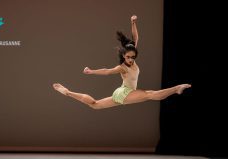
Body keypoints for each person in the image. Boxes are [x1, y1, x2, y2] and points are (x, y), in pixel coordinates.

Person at [53, 15, 191, 109]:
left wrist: (133, 22)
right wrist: (91, 71)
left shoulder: (131, 54)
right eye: (128, 57)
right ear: (123, 56)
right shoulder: (123, 67)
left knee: (95, 104)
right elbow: (107, 71)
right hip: (126, 92)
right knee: (150, 94)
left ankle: (68, 92)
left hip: (122, 92)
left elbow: (135, 38)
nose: (131, 59)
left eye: (133, 57)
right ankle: (176, 88)